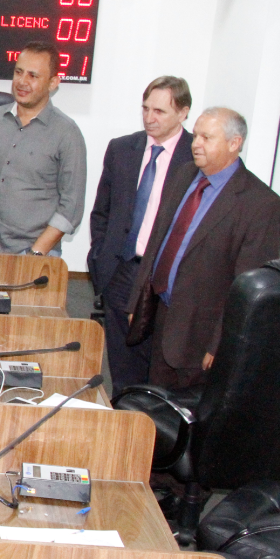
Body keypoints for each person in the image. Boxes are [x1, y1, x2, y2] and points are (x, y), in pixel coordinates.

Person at [126, 107, 280, 389]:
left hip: (203, 335)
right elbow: (158, 242)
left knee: (189, 420)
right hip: (162, 314)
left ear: (234, 144)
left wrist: (221, 343)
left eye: (206, 138)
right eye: (196, 135)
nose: (195, 143)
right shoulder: (186, 175)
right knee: (155, 403)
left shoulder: (260, 205)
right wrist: (138, 300)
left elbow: (249, 289)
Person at [88, 76, 194, 391]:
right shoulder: (122, 149)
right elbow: (102, 211)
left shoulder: (195, 157)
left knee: (158, 360)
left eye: (160, 111)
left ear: (183, 112)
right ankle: (124, 413)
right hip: (121, 268)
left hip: (163, 277)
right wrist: (100, 256)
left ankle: (153, 423)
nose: (149, 118)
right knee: (121, 361)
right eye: (145, 108)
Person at [0, 42, 86, 256]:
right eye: (18, 72)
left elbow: (71, 208)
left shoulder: (67, 134)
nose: (22, 81)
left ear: (53, 82)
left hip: (34, 255)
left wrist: (34, 254)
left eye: (33, 76)